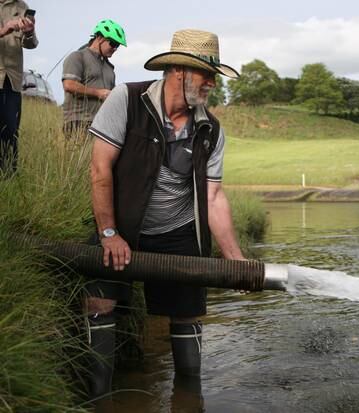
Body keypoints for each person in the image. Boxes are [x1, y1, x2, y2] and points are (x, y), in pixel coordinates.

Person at [86, 28, 245, 400]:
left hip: (179, 231)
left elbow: (215, 196)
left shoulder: (211, 129)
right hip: (123, 225)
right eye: (205, 74)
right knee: (99, 300)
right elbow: (99, 170)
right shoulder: (127, 100)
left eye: (213, 76)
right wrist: (109, 233)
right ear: (178, 70)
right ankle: (99, 399)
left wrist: (234, 256)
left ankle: (189, 399)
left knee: (187, 313)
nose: (211, 83)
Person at [62, 19, 125, 139]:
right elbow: (69, 85)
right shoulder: (77, 57)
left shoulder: (110, 68)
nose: (115, 48)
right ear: (100, 38)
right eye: (113, 43)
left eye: (118, 46)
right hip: (78, 121)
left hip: (102, 125)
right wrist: (98, 93)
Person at [0, 0, 37, 175]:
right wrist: (4, 30)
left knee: (10, 132)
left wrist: (29, 33)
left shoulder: (22, 6)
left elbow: (31, 43)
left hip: (12, 81)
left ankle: (9, 181)